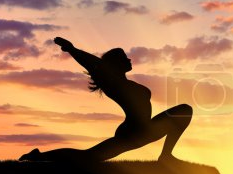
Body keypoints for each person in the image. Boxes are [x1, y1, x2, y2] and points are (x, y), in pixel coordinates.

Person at [19, 37, 192, 162]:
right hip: (132, 133)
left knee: (184, 110)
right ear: (115, 64)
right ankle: (38, 156)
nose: (129, 59)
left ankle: (165, 155)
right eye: (125, 58)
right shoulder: (115, 85)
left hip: (146, 128)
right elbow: (96, 65)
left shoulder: (124, 82)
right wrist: (73, 50)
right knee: (88, 157)